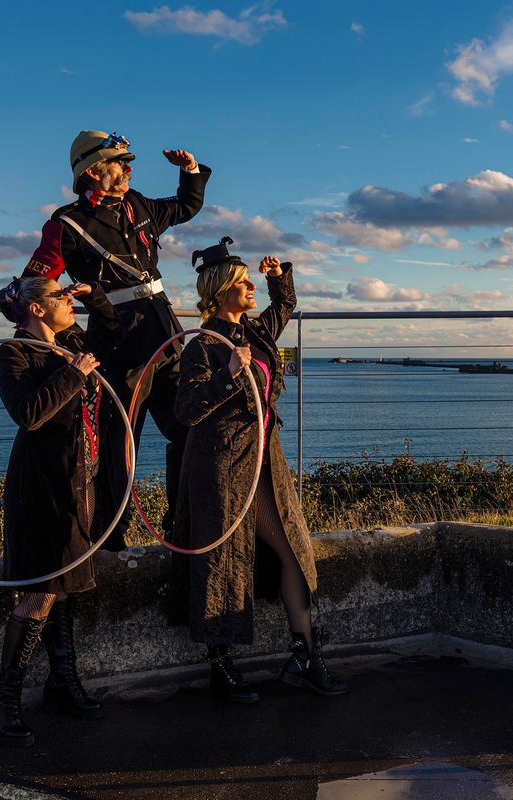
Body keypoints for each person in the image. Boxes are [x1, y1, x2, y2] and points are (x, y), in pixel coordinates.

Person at [172, 237, 349, 703]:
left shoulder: (257, 332)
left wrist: (277, 278)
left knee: (293, 552)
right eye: (245, 282)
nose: (251, 286)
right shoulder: (202, 345)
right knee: (221, 564)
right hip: (221, 465)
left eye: (253, 281)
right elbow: (186, 408)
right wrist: (228, 374)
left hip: (266, 461)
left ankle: (305, 657)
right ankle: (221, 665)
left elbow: (285, 303)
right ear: (221, 289)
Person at [23, 130, 211, 549]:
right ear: (93, 171)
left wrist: (190, 171)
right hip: (119, 339)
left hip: (166, 335)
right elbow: (36, 282)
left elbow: (185, 206)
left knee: (188, 428)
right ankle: (113, 538)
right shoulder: (66, 225)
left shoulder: (139, 204)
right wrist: (31, 311)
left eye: (128, 162)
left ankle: (181, 522)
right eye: (119, 162)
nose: (128, 168)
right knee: (120, 445)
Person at [0, 276, 123, 747]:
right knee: (42, 589)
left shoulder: (73, 343)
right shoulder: (14, 353)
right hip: (40, 485)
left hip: (79, 479)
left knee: (64, 587)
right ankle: (5, 697)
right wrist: (74, 373)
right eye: (60, 297)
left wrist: (92, 295)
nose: (68, 302)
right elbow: (29, 414)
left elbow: (112, 328)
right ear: (37, 309)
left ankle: (62, 681)